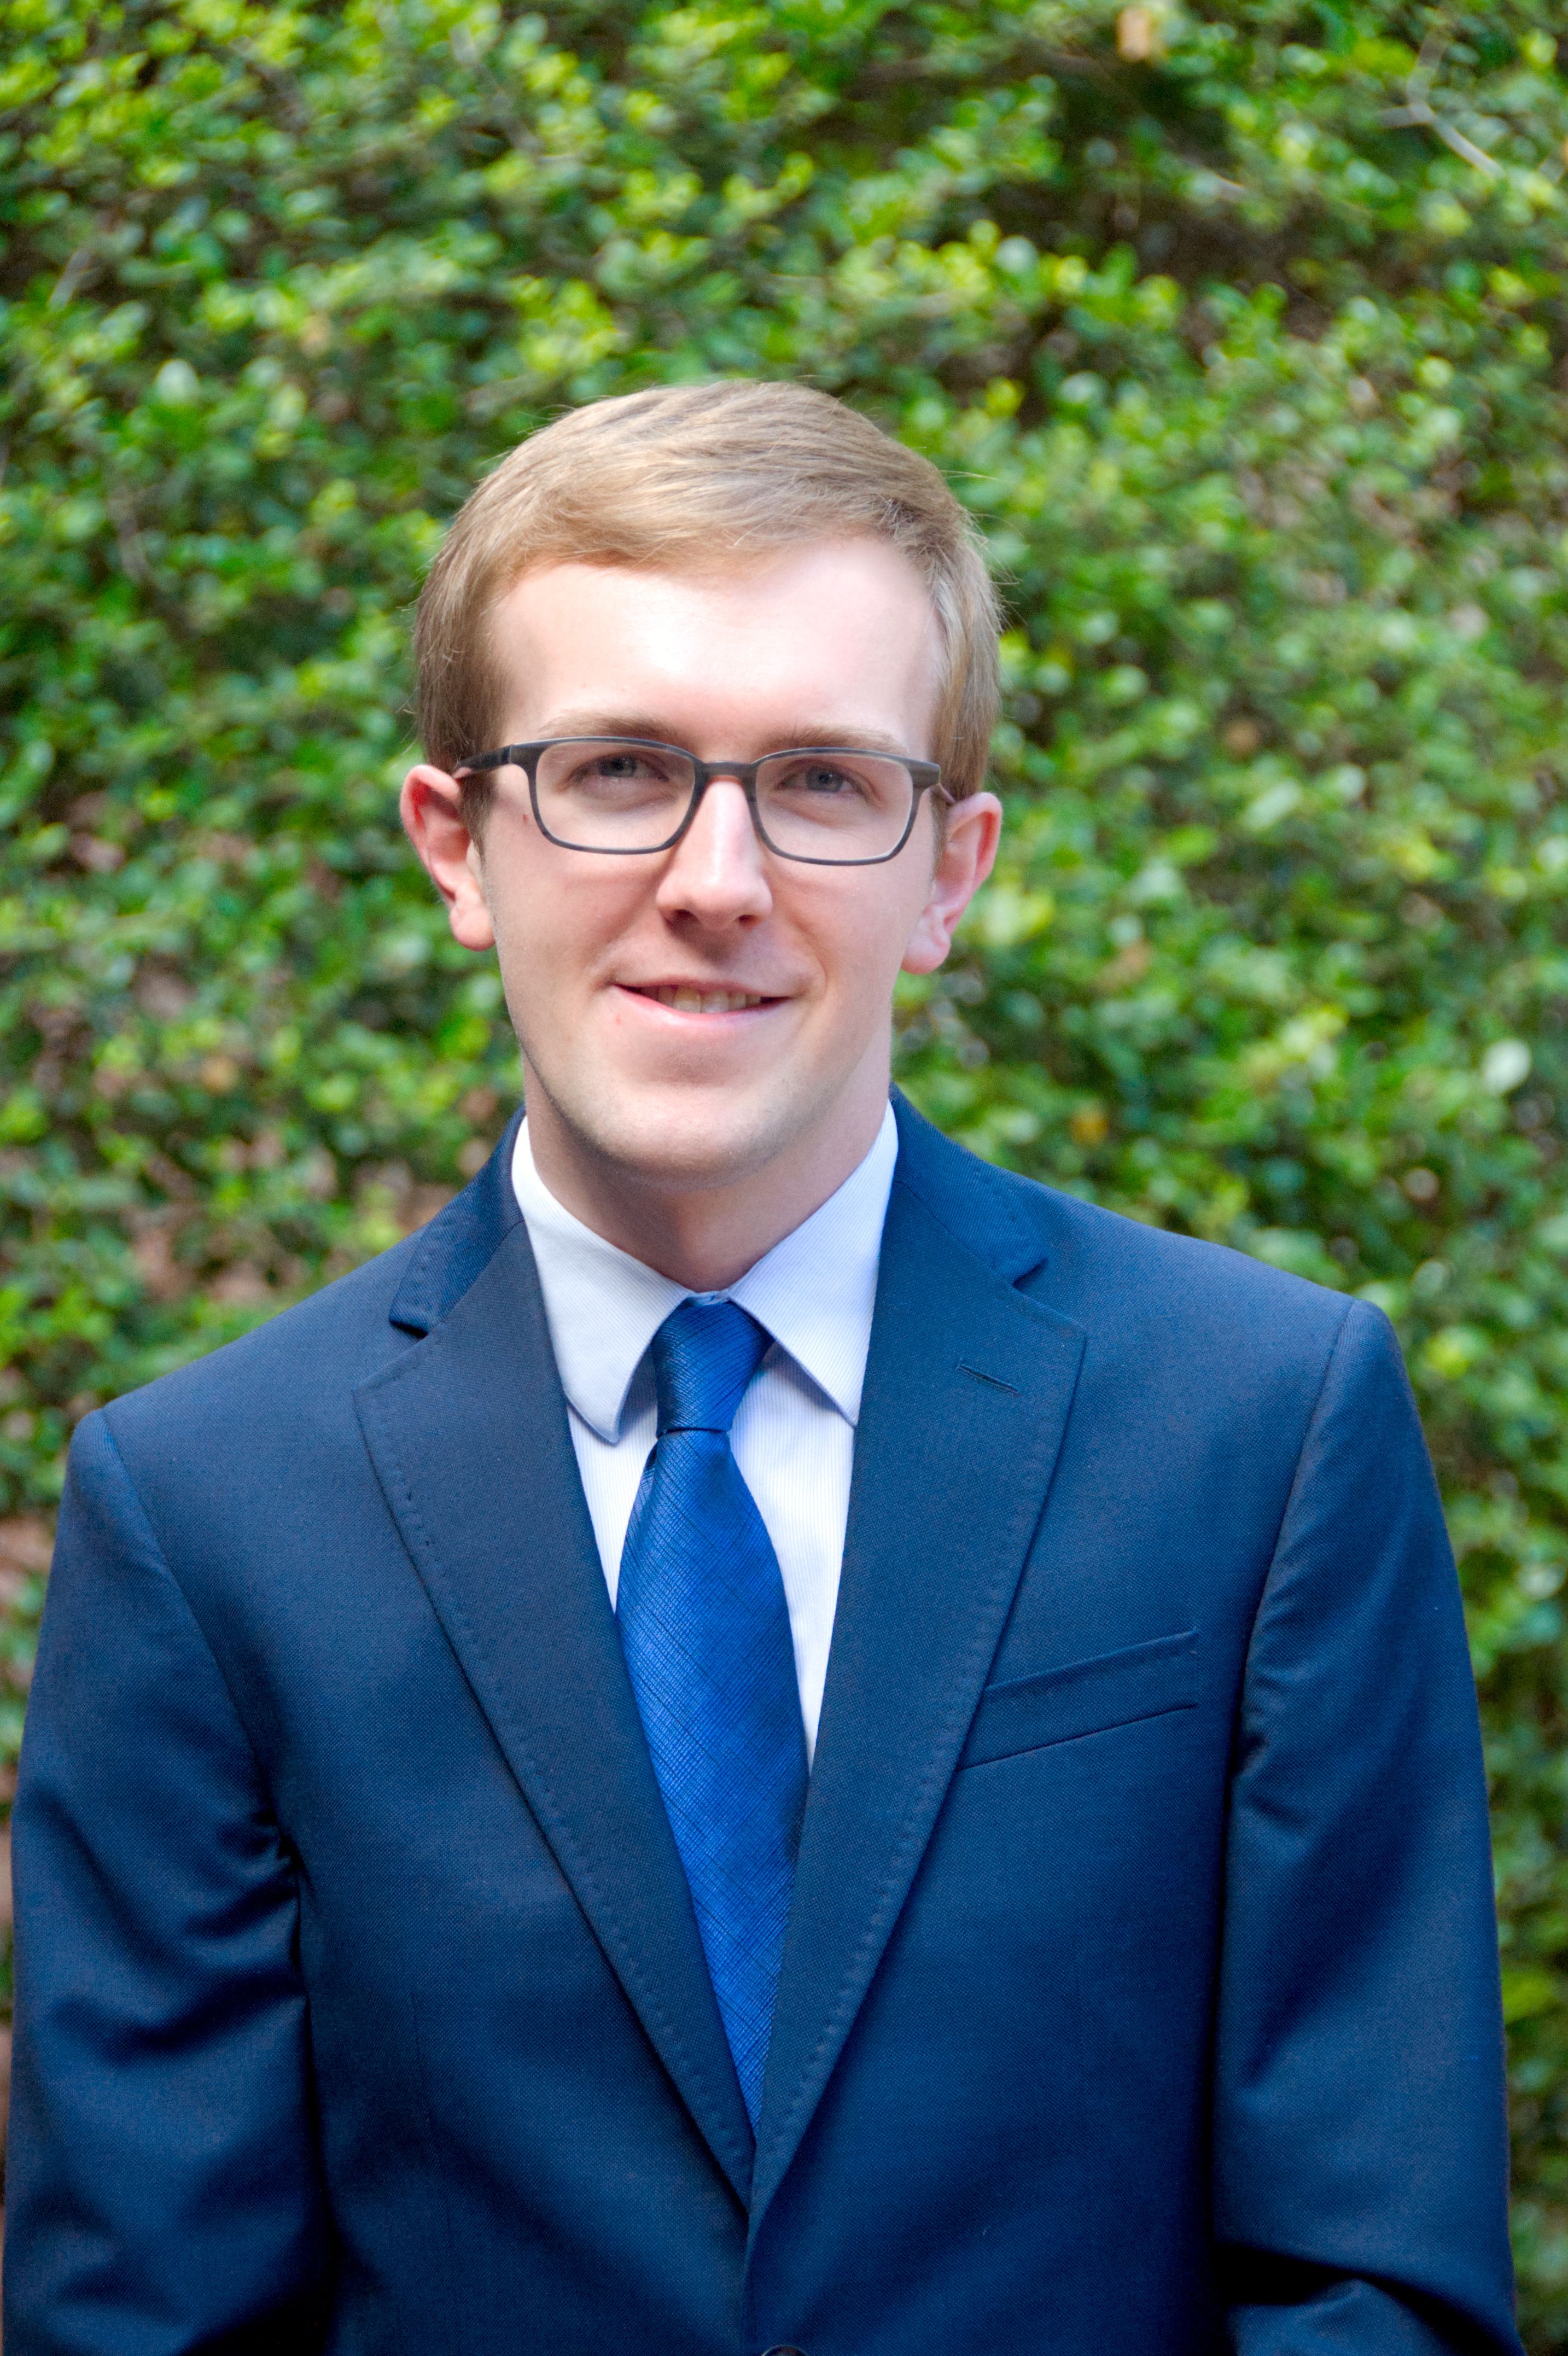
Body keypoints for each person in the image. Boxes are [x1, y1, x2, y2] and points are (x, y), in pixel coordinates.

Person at [4, 381, 1520, 2356]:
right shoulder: (206, 1511)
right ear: (457, 846)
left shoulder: (1260, 1424)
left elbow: (1374, 2279)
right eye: (621, 767)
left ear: (951, 870)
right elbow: (146, 2322)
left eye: (820, 782)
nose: (717, 876)